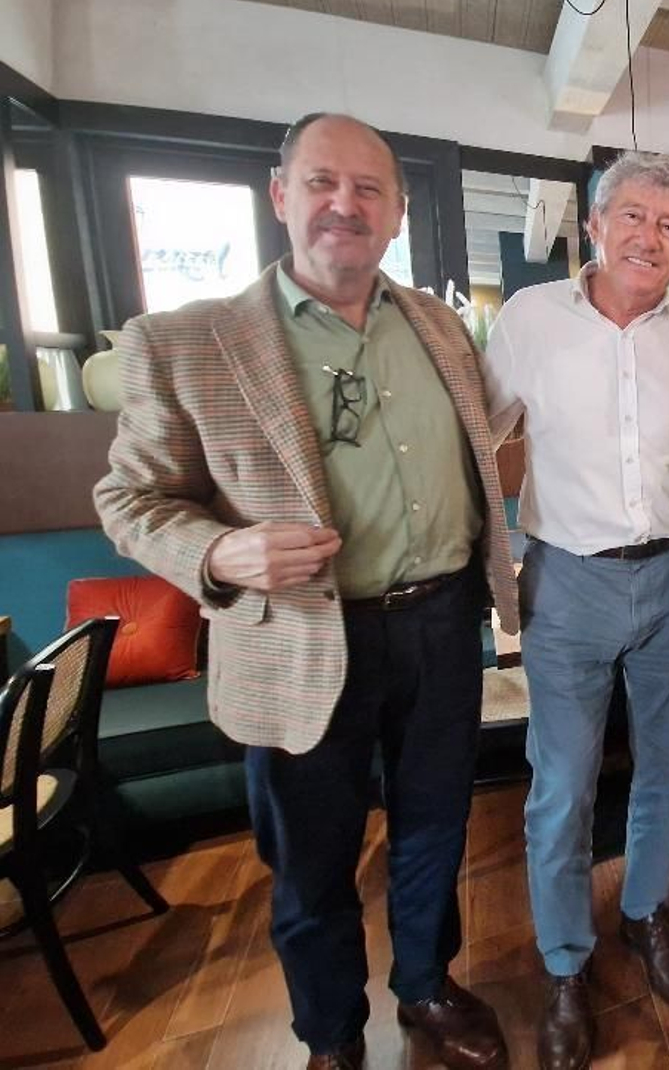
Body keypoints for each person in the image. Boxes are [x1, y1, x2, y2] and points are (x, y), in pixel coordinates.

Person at [95, 112, 519, 1070]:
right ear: (280, 194)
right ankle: (330, 1036)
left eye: (370, 189)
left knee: (434, 829)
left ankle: (426, 986)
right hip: (296, 639)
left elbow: (485, 443)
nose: (346, 204)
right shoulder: (183, 341)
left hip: (443, 624)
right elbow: (128, 499)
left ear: (398, 213)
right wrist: (219, 554)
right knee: (311, 861)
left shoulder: (439, 325)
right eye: (324, 182)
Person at [483, 151, 669, 1070]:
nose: (648, 237)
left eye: (668, 225)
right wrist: (489, 561)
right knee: (564, 783)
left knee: (664, 769)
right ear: (594, 225)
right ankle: (562, 963)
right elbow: (481, 437)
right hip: (568, 581)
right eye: (632, 217)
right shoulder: (529, 321)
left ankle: (647, 909)